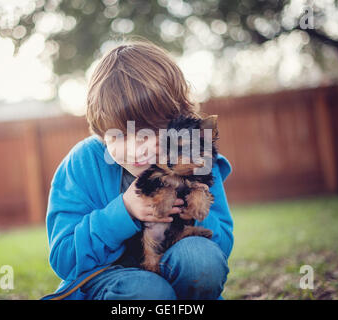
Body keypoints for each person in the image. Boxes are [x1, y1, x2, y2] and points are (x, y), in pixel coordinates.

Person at [41, 38, 234, 300]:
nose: (135, 149)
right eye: (117, 136)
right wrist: (125, 212)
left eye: (148, 131)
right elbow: (65, 259)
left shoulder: (194, 156)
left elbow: (221, 247)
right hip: (108, 281)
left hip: (173, 262)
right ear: (100, 134)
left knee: (201, 261)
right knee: (147, 291)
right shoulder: (82, 163)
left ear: (176, 120)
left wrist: (195, 208)